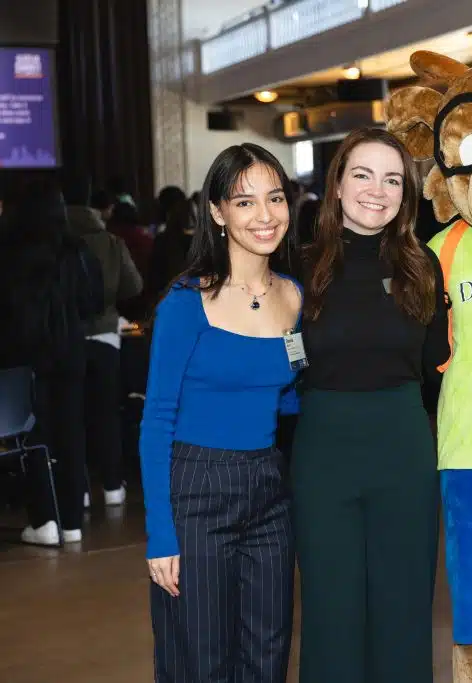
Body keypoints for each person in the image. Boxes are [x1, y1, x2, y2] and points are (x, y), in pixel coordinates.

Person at [290, 127, 448, 682]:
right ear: (337, 184)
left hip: (402, 449)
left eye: (392, 180)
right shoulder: (297, 265)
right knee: (330, 613)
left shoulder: (423, 266)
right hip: (322, 452)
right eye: (362, 174)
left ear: (406, 194)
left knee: (403, 609)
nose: (376, 191)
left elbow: (440, 369)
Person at [140, 143, 301, 682]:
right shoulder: (186, 303)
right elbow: (156, 419)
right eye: (245, 202)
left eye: (275, 198)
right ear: (217, 212)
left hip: (268, 487)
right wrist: (161, 535)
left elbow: (287, 397)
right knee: (202, 656)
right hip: (197, 489)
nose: (264, 216)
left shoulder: (295, 298)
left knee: (268, 652)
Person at [0, 177, 95, 546]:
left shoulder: (9, 251)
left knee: (34, 437)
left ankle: (44, 520)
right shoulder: (74, 249)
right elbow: (92, 300)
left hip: (24, 357)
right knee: (71, 433)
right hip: (71, 349)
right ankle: (72, 521)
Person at [64, 170, 143, 506]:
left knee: (71, 415)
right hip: (106, 334)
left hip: (65, 337)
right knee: (107, 413)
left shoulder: (54, 240)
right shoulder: (109, 241)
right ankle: (112, 486)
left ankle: (78, 489)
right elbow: (134, 286)